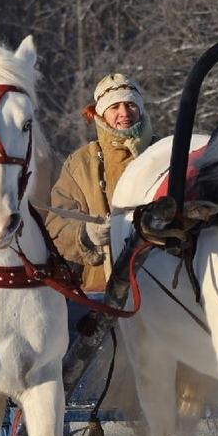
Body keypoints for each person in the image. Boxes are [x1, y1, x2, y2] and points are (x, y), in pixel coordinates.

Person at [42, 73, 152, 293]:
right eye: (115, 107)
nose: (124, 113)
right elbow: (57, 224)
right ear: (100, 114)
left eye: (130, 104)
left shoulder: (163, 152)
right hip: (101, 288)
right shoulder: (81, 163)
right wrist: (85, 235)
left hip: (163, 286)